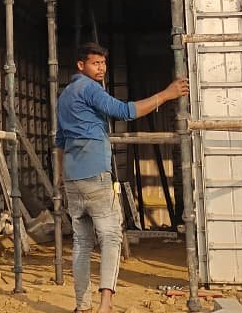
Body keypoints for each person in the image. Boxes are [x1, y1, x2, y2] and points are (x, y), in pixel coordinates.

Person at [55, 42, 189, 313]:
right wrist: (167, 94)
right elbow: (126, 112)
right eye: (95, 63)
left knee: (82, 242)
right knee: (111, 236)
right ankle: (106, 304)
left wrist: (61, 176)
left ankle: (82, 306)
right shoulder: (89, 88)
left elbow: (59, 140)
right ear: (81, 65)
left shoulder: (65, 95)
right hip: (95, 172)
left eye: (103, 63)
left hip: (72, 176)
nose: (101, 68)